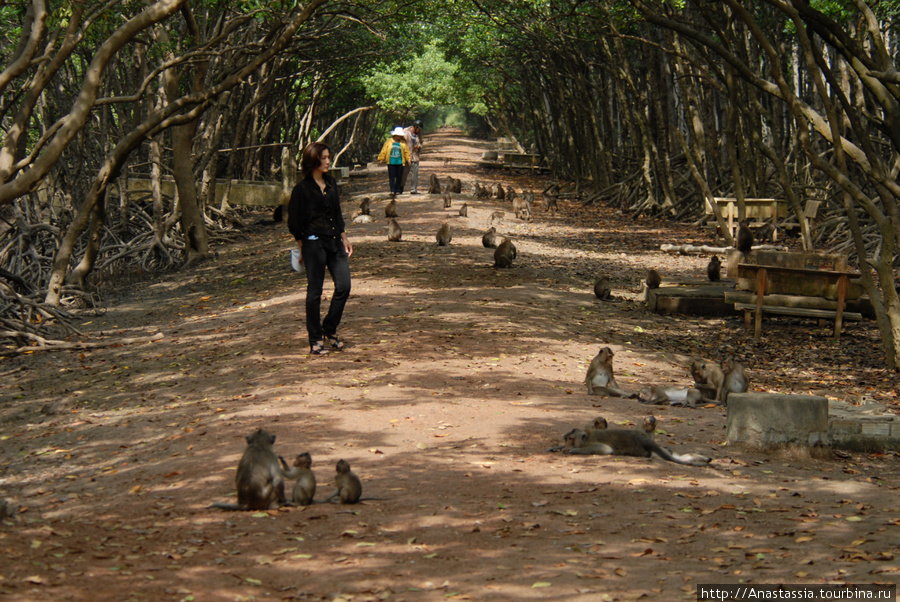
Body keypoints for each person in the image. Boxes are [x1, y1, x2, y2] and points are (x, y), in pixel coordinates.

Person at [287, 142, 353, 356]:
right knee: (314, 292)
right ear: (313, 160)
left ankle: (330, 328)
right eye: (323, 158)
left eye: (328, 157)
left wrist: (344, 237)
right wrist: (303, 247)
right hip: (313, 244)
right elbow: (294, 223)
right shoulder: (301, 190)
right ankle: (315, 339)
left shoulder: (331, 182)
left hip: (334, 242)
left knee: (344, 286)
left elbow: (337, 213)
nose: (327, 162)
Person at [377, 126, 410, 194]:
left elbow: (406, 152)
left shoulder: (403, 143)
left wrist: (408, 159)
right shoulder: (388, 142)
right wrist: (381, 158)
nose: (400, 137)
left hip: (400, 162)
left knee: (399, 177)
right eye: (399, 135)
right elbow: (384, 150)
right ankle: (392, 190)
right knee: (392, 177)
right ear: (396, 135)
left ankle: (398, 190)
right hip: (391, 162)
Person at [401, 120, 424, 194]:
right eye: (419, 128)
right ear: (415, 127)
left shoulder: (418, 134)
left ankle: (413, 189)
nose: (419, 130)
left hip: (415, 156)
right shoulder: (405, 131)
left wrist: (419, 146)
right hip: (406, 156)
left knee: (415, 174)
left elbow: (421, 142)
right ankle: (400, 188)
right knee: (404, 173)